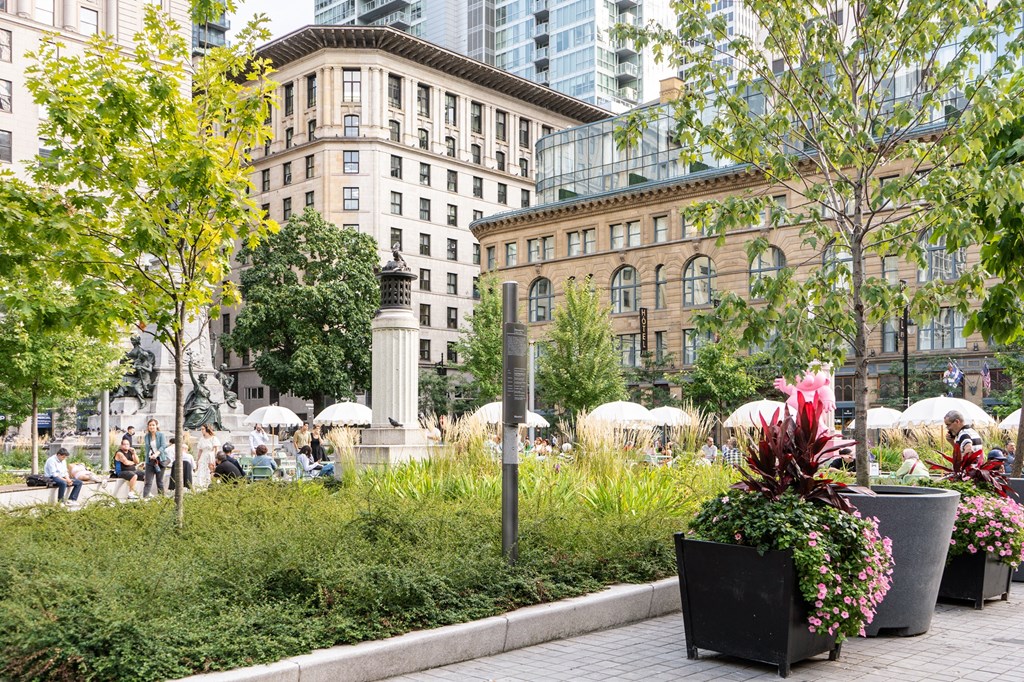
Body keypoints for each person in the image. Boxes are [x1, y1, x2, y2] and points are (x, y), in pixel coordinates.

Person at [142, 418, 169, 498]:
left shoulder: (161, 435)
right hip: (150, 461)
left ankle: (162, 499)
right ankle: (145, 498)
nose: (151, 427)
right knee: (148, 481)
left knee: (159, 481)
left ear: (157, 426)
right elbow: (147, 449)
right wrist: (146, 459)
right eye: (150, 425)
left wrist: (157, 453)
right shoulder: (147, 436)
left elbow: (163, 445)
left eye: (153, 425)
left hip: (160, 460)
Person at [195, 424, 220, 489]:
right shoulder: (201, 439)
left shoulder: (213, 438)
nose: (202, 430)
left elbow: (216, 449)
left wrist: (215, 458)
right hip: (203, 456)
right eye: (201, 429)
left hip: (210, 456)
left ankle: (209, 486)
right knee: (201, 472)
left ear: (207, 429)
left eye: (203, 429)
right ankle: (200, 487)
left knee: (209, 472)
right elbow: (200, 451)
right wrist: (198, 460)